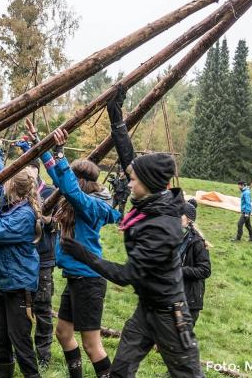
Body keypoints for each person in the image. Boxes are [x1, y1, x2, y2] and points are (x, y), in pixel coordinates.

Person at [60, 85, 204, 377]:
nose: (128, 182)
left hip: (170, 315)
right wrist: (116, 116)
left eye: (133, 180)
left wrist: (83, 254)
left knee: (188, 374)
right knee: (120, 373)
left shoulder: (162, 227)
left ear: (148, 184)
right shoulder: (150, 196)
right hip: (145, 310)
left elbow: (126, 276)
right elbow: (129, 159)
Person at [38, 125, 121, 378]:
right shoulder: (79, 199)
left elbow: (68, 187)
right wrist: (41, 147)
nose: (65, 184)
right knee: (63, 334)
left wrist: (61, 154)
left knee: (92, 345)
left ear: (78, 181)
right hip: (76, 279)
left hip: (89, 282)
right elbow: (60, 178)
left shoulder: (89, 206)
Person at [0, 153, 43, 378]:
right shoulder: (11, 205)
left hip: (19, 287)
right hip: (5, 284)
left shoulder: (24, 215)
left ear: (12, 188)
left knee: (21, 344)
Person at [13, 122, 59, 370]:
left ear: (36, 171)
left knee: (42, 306)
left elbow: (58, 223)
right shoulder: (15, 191)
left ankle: (43, 354)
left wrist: (44, 220)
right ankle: (20, 349)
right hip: (20, 257)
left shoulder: (50, 192)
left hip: (43, 258)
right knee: (19, 304)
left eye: (29, 171)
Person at [179, 199, 211, 327]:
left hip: (189, 300)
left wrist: (180, 271)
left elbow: (205, 270)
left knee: (180, 342)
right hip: (171, 295)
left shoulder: (197, 242)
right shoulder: (174, 238)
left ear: (189, 220)